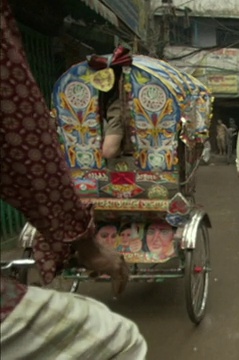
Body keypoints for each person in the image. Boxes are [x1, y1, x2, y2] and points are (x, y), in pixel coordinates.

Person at [0, 3, 146, 358]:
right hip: (98, 180)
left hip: (87, 177)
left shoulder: (115, 109)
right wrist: (84, 243)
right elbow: (25, 145)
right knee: (120, 338)